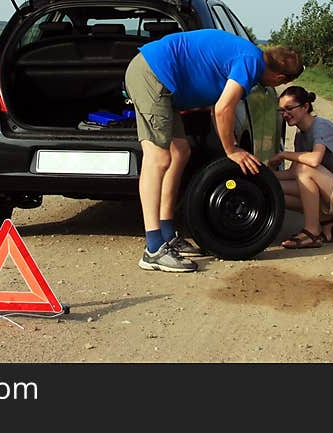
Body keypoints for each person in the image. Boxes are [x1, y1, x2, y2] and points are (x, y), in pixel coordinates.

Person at [124, 29, 303, 272]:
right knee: (158, 158)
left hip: (164, 82)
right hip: (153, 74)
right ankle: (153, 248)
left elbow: (216, 108)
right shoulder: (251, 61)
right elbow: (223, 109)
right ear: (279, 77)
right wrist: (231, 150)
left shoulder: (249, 57)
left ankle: (167, 233)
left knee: (180, 152)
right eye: (280, 83)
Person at [266, 86, 333, 249]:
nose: (285, 114)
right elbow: (293, 173)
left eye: (289, 108)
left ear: (305, 107)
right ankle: (327, 220)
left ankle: (312, 232)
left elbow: (314, 160)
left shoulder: (322, 126)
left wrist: (283, 155)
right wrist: (265, 175)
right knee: (274, 190)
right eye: (281, 111)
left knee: (306, 169)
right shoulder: (300, 135)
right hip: (331, 191)